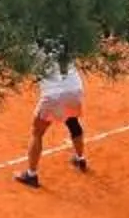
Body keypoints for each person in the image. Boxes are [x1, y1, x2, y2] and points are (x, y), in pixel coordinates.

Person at [16, 52, 89, 187]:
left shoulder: (33, 47)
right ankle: (80, 159)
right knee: (72, 121)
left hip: (53, 94)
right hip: (75, 89)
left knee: (37, 132)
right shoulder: (63, 39)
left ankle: (31, 175)